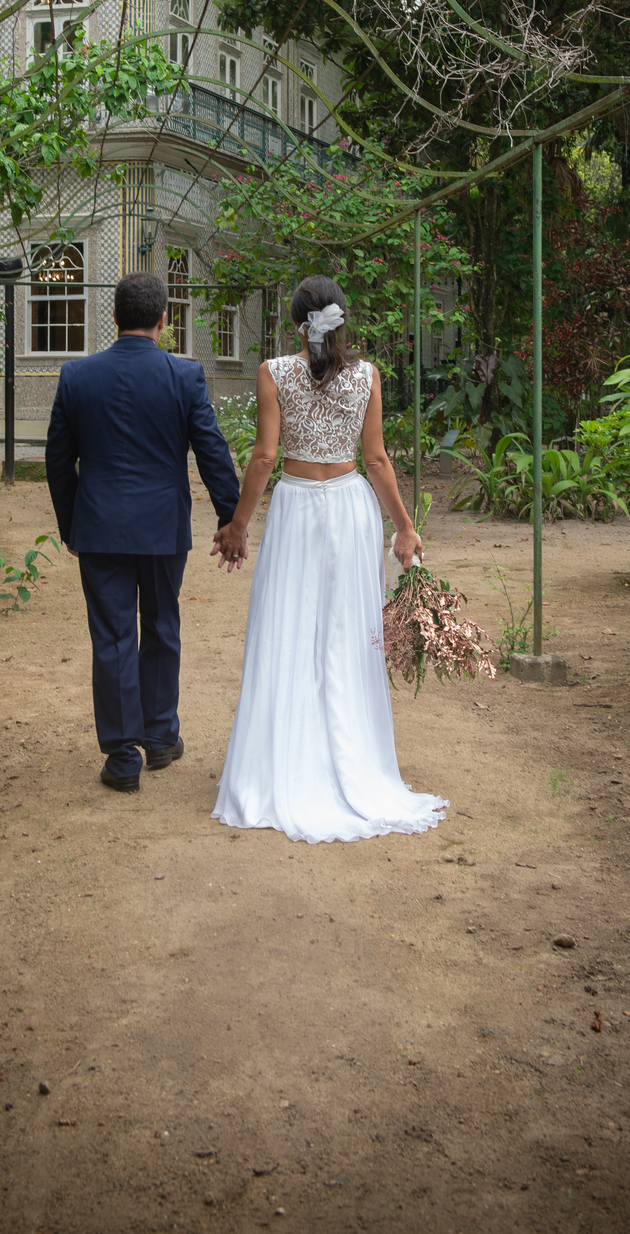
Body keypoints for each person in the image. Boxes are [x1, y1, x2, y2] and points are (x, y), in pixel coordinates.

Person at [209, 274, 446, 844]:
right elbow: (377, 460)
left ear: (298, 325)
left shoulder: (273, 372)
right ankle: (352, 761)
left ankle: (282, 765)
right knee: (346, 633)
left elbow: (264, 457)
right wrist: (404, 527)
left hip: (295, 509)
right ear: (342, 319)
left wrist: (238, 525)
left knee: (286, 628)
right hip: (349, 508)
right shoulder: (367, 375)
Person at [46, 271, 240, 794]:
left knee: (113, 635)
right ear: (163, 320)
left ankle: (122, 757)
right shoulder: (186, 376)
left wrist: (71, 525)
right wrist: (230, 518)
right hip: (162, 526)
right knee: (161, 625)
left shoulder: (76, 376)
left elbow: (58, 462)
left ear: (113, 316)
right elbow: (212, 451)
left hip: (99, 526)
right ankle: (159, 737)